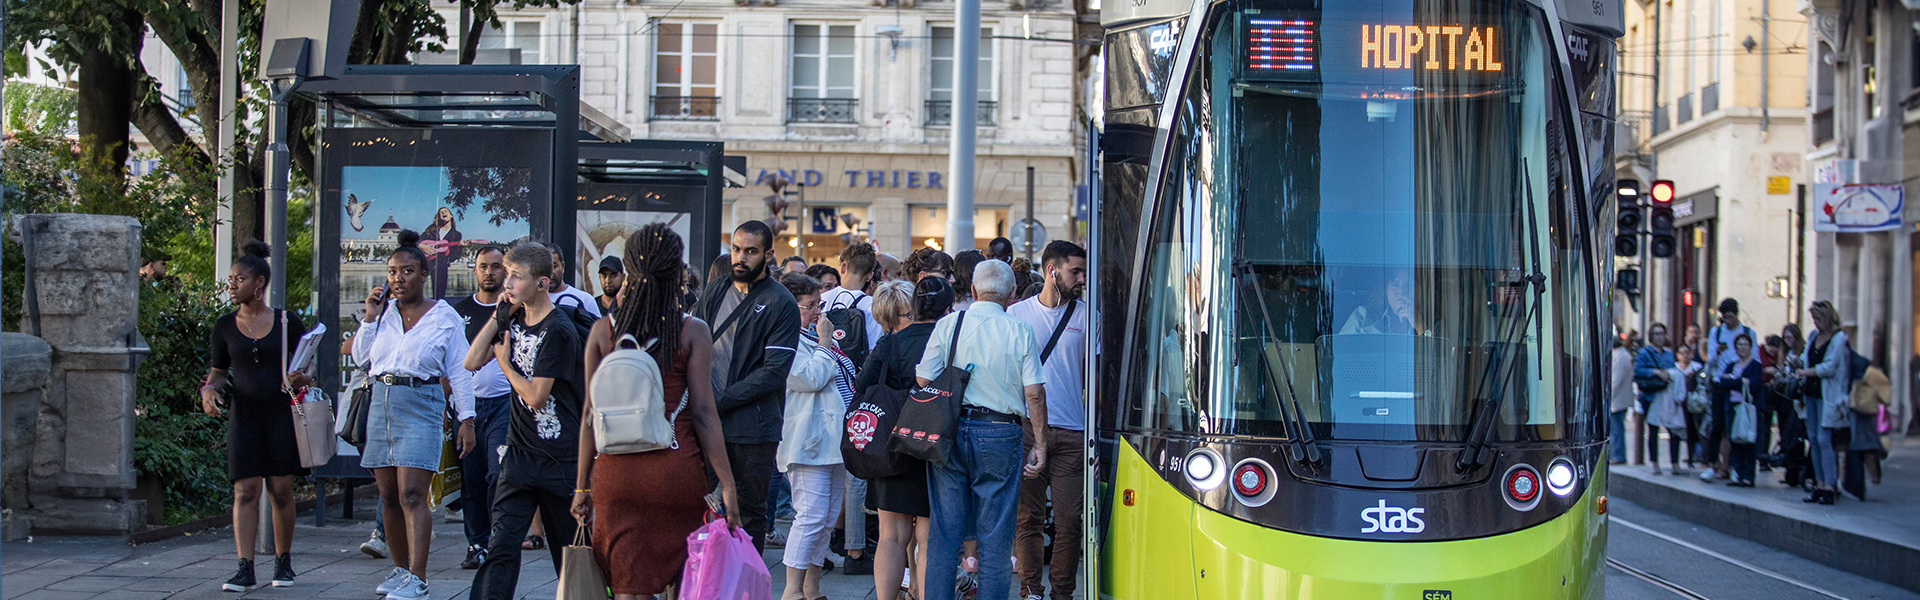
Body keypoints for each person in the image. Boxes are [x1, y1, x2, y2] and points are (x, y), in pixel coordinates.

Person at [573, 224, 743, 600]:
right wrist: (728, 485)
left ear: (629, 270)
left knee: (628, 587)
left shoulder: (603, 331)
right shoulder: (692, 331)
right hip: (675, 469)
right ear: (677, 271)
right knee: (689, 583)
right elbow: (703, 413)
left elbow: (588, 416)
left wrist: (582, 486)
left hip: (616, 474)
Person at [353, 230, 477, 600]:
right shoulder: (383, 314)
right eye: (393, 272)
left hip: (422, 400)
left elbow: (459, 370)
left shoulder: (444, 316)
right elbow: (361, 357)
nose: (398, 279)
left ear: (423, 274)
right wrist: (370, 318)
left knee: (412, 493)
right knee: (388, 493)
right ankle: (400, 570)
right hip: (382, 399)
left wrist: (466, 419)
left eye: (407, 271)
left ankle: (418, 578)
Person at [916, 259, 1050, 600]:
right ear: (1013, 293)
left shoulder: (950, 324)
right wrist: (1040, 443)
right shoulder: (1020, 330)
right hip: (1000, 432)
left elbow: (923, 378)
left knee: (944, 534)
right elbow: (1034, 392)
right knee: (996, 536)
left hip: (950, 429)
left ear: (974, 291)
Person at [466, 242, 586, 600]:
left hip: (559, 459)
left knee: (569, 554)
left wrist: (504, 364)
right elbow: (472, 361)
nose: (507, 283)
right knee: (501, 546)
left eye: (516, 277)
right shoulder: (513, 319)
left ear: (542, 283)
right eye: (507, 274)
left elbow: (536, 396)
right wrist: (499, 316)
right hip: (519, 455)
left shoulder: (559, 330)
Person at [202, 241, 311, 591]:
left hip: (280, 413)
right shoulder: (224, 325)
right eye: (231, 280)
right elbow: (219, 371)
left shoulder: (286, 321)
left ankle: (283, 562)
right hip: (244, 414)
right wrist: (209, 389)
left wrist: (302, 377)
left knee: (281, 490)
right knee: (245, 491)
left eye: (240, 279)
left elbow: (309, 367)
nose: (232, 285)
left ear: (259, 283)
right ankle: (244, 567)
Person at [691, 220, 802, 552]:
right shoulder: (716, 289)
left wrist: (718, 400)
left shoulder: (781, 301)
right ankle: (704, 576)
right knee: (700, 508)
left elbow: (774, 372)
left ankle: (745, 578)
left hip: (753, 428)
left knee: (749, 514)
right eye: (736, 249)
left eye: (751, 251)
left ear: (768, 255)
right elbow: (694, 346)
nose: (740, 258)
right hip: (707, 422)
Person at [856, 278, 946, 600]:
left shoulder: (888, 345)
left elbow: (862, 385)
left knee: (891, 536)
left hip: (891, 446)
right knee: (928, 537)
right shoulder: (940, 339)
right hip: (932, 441)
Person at [1009, 241, 1088, 600]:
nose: (1082, 279)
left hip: (1073, 431)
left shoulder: (1087, 317)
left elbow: (1093, 379)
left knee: (1070, 521)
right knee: (1028, 517)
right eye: (1075, 271)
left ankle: (1062, 593)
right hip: (1027, 429)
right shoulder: (1017, 314)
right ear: (1052, 271)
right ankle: (1030, 591)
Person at [775, 272, 857, 600]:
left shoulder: (811, 337)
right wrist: (824, 342)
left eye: (819, 305)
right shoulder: (784, 340)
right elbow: (810, 378)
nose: (818, 313)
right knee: (809, 516)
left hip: (832, 441)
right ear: (789, 307)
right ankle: (791, 590)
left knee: (825, 519)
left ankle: (811, 587)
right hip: (808, 442)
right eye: (810, 306)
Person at [449, 245, 514, 570]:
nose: (489, 272)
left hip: (505, 402)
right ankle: (476, 543)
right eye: (483, 266)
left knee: (497, 473)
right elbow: (449, 361)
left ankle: (497, 539)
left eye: (496, 266)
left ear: (506, 271)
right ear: (474, 270)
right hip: (468, 407)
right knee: (471, 478)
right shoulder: (459, 311)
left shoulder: (513, 309)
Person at [1794, 300, 1850, 505]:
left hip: (1828, 395)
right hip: (1811, 393)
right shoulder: (1812, 336)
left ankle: (1830, 485)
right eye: (1814, 318)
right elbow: (1806, 357)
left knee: (1824, 439)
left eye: (1818, 318)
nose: (1816, 322)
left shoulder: (1839, 338)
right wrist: (1798, 362)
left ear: (1828, 318)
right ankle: (1818, 483)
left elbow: (1830, 366)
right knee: (1813, 439)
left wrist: (1805, 372)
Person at [1698, 299, 1756, 481]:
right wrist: (1717, 352)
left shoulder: (1748, 333)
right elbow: (1710, 360)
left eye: (1730, 317)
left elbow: (1754, 358)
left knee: (1736, 426)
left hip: (1738, 383)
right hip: (1720, 382)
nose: (1727, 322)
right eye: (1724, 318)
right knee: (1717, 425)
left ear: (1736, 314)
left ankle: (1733, 466)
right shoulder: (1716, 332)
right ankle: (1712, 464)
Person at [1714, 334, 1766, 487]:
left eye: (1745, 345)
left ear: (1750, 347)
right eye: (1739, 345)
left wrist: (1733, 380)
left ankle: (1748, 476)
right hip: (1732, 406)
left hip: (1748, 408)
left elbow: (1755, 385)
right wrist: (1741, 381)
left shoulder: (1755, 366)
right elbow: (1723, 382)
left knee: (1748, 441)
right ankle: (1737, 473)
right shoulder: (1731, 365)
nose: (1742, 348)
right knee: (1734, 440)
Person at [1634, 324, 1683, 474]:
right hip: (1651, 395)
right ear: (1651, 336)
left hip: (1667, 395)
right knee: (1653, 430)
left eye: (1662, 334)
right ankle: (1655, 463)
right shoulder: (1644, 353)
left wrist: (1669, 374)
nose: (1659, 337)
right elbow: (1638, 370)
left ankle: (1675, 463)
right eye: (1656, 334)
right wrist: (1655, 372)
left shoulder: (1669, 354)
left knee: (1673, 430)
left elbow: (1672, 369)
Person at [422, 207, 463, 299]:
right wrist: (423, 247)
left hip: (441, 265)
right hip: (427, 262)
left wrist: (460, 247)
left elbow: (452, 257)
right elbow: (417, 241)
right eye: (440, 212)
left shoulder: (456, 235)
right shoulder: (431, 230)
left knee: (439, 294)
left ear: (451, 216)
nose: (443, 213)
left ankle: (438, 301)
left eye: (445, 211)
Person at [1608, 337, 1635, 465]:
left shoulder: (1620, 356)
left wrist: (1608, 396)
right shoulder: (1623, 354)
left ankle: (1617, 455)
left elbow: (1616, 380)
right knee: (1617, 428)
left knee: (1616, 429)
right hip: (1621, 398)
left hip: (1617, 399)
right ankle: (1617, 454)